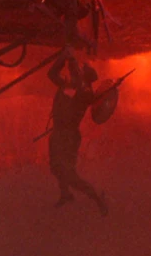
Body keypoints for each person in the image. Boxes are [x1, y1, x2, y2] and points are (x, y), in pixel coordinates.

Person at [46, 46, 108, 215]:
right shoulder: (73, 86)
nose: (77, 71)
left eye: (81, 71)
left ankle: (96, 197)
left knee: (69, 174)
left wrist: (69, 58)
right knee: (56, 168)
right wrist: (64, 58)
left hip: (68, 137)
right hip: (59, 133)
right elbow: (52, 74)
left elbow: (68, 78)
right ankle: (65, 194)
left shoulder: (82, 91)